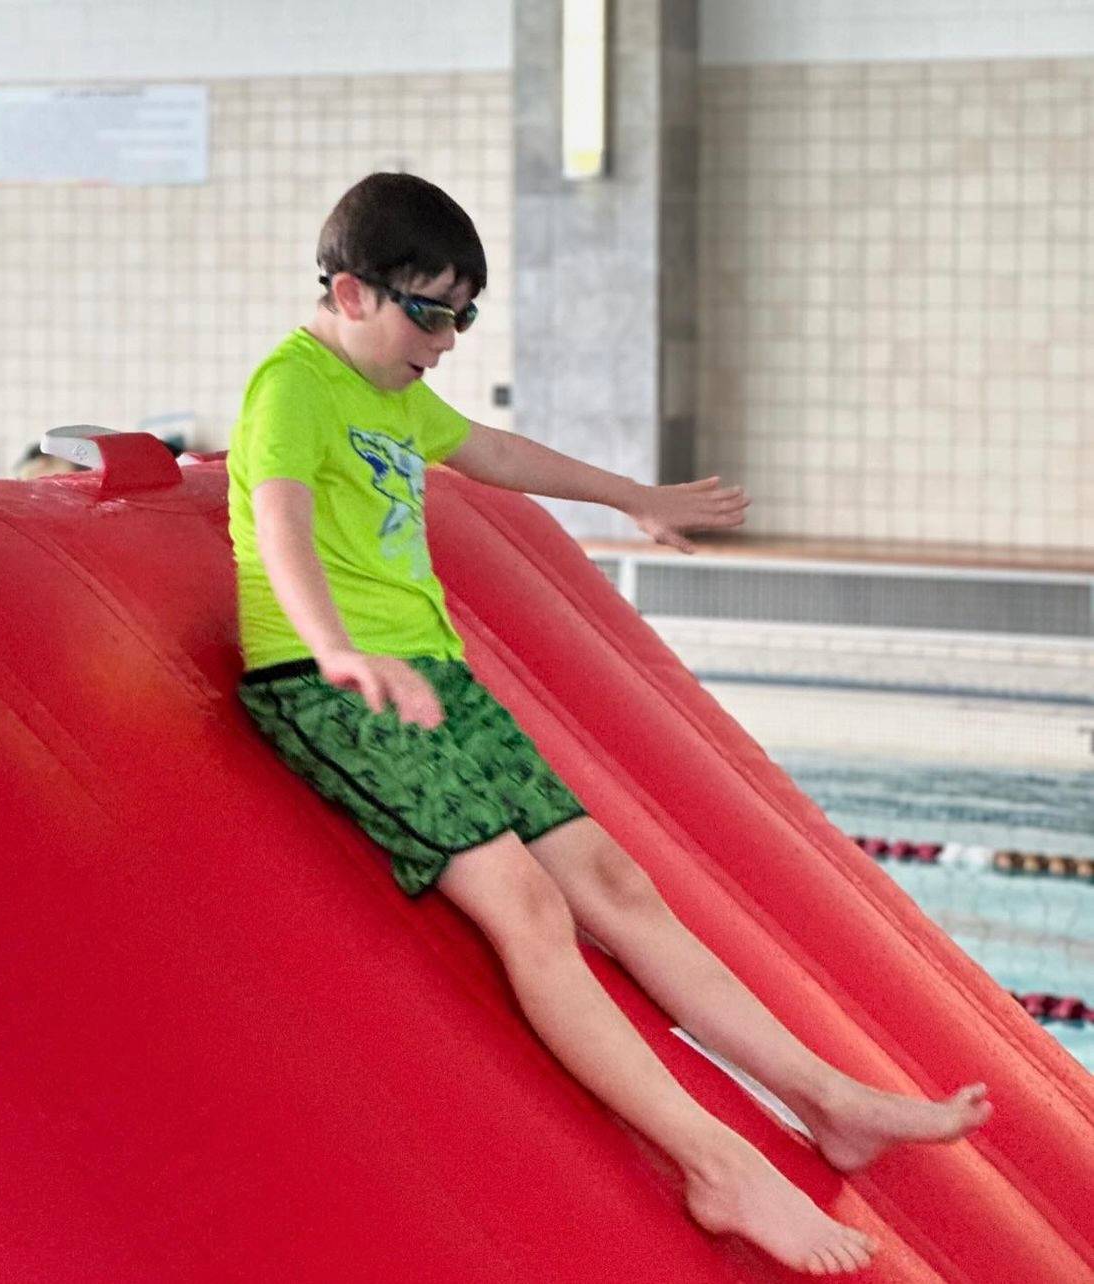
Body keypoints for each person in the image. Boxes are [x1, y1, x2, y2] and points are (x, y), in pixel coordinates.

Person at [226, 172, 991, 1276]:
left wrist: (632, 496)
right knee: (529, 907)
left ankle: (828, 1101)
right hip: (330, 678)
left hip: (432, 670)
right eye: (430, 315)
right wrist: (337, 647)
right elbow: (279, 522)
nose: (446, 343)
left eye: (465, 316)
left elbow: (492, 452)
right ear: (350, 292)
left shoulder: (387, 389)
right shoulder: (291, 388)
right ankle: (717, 1163)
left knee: (619, 887)